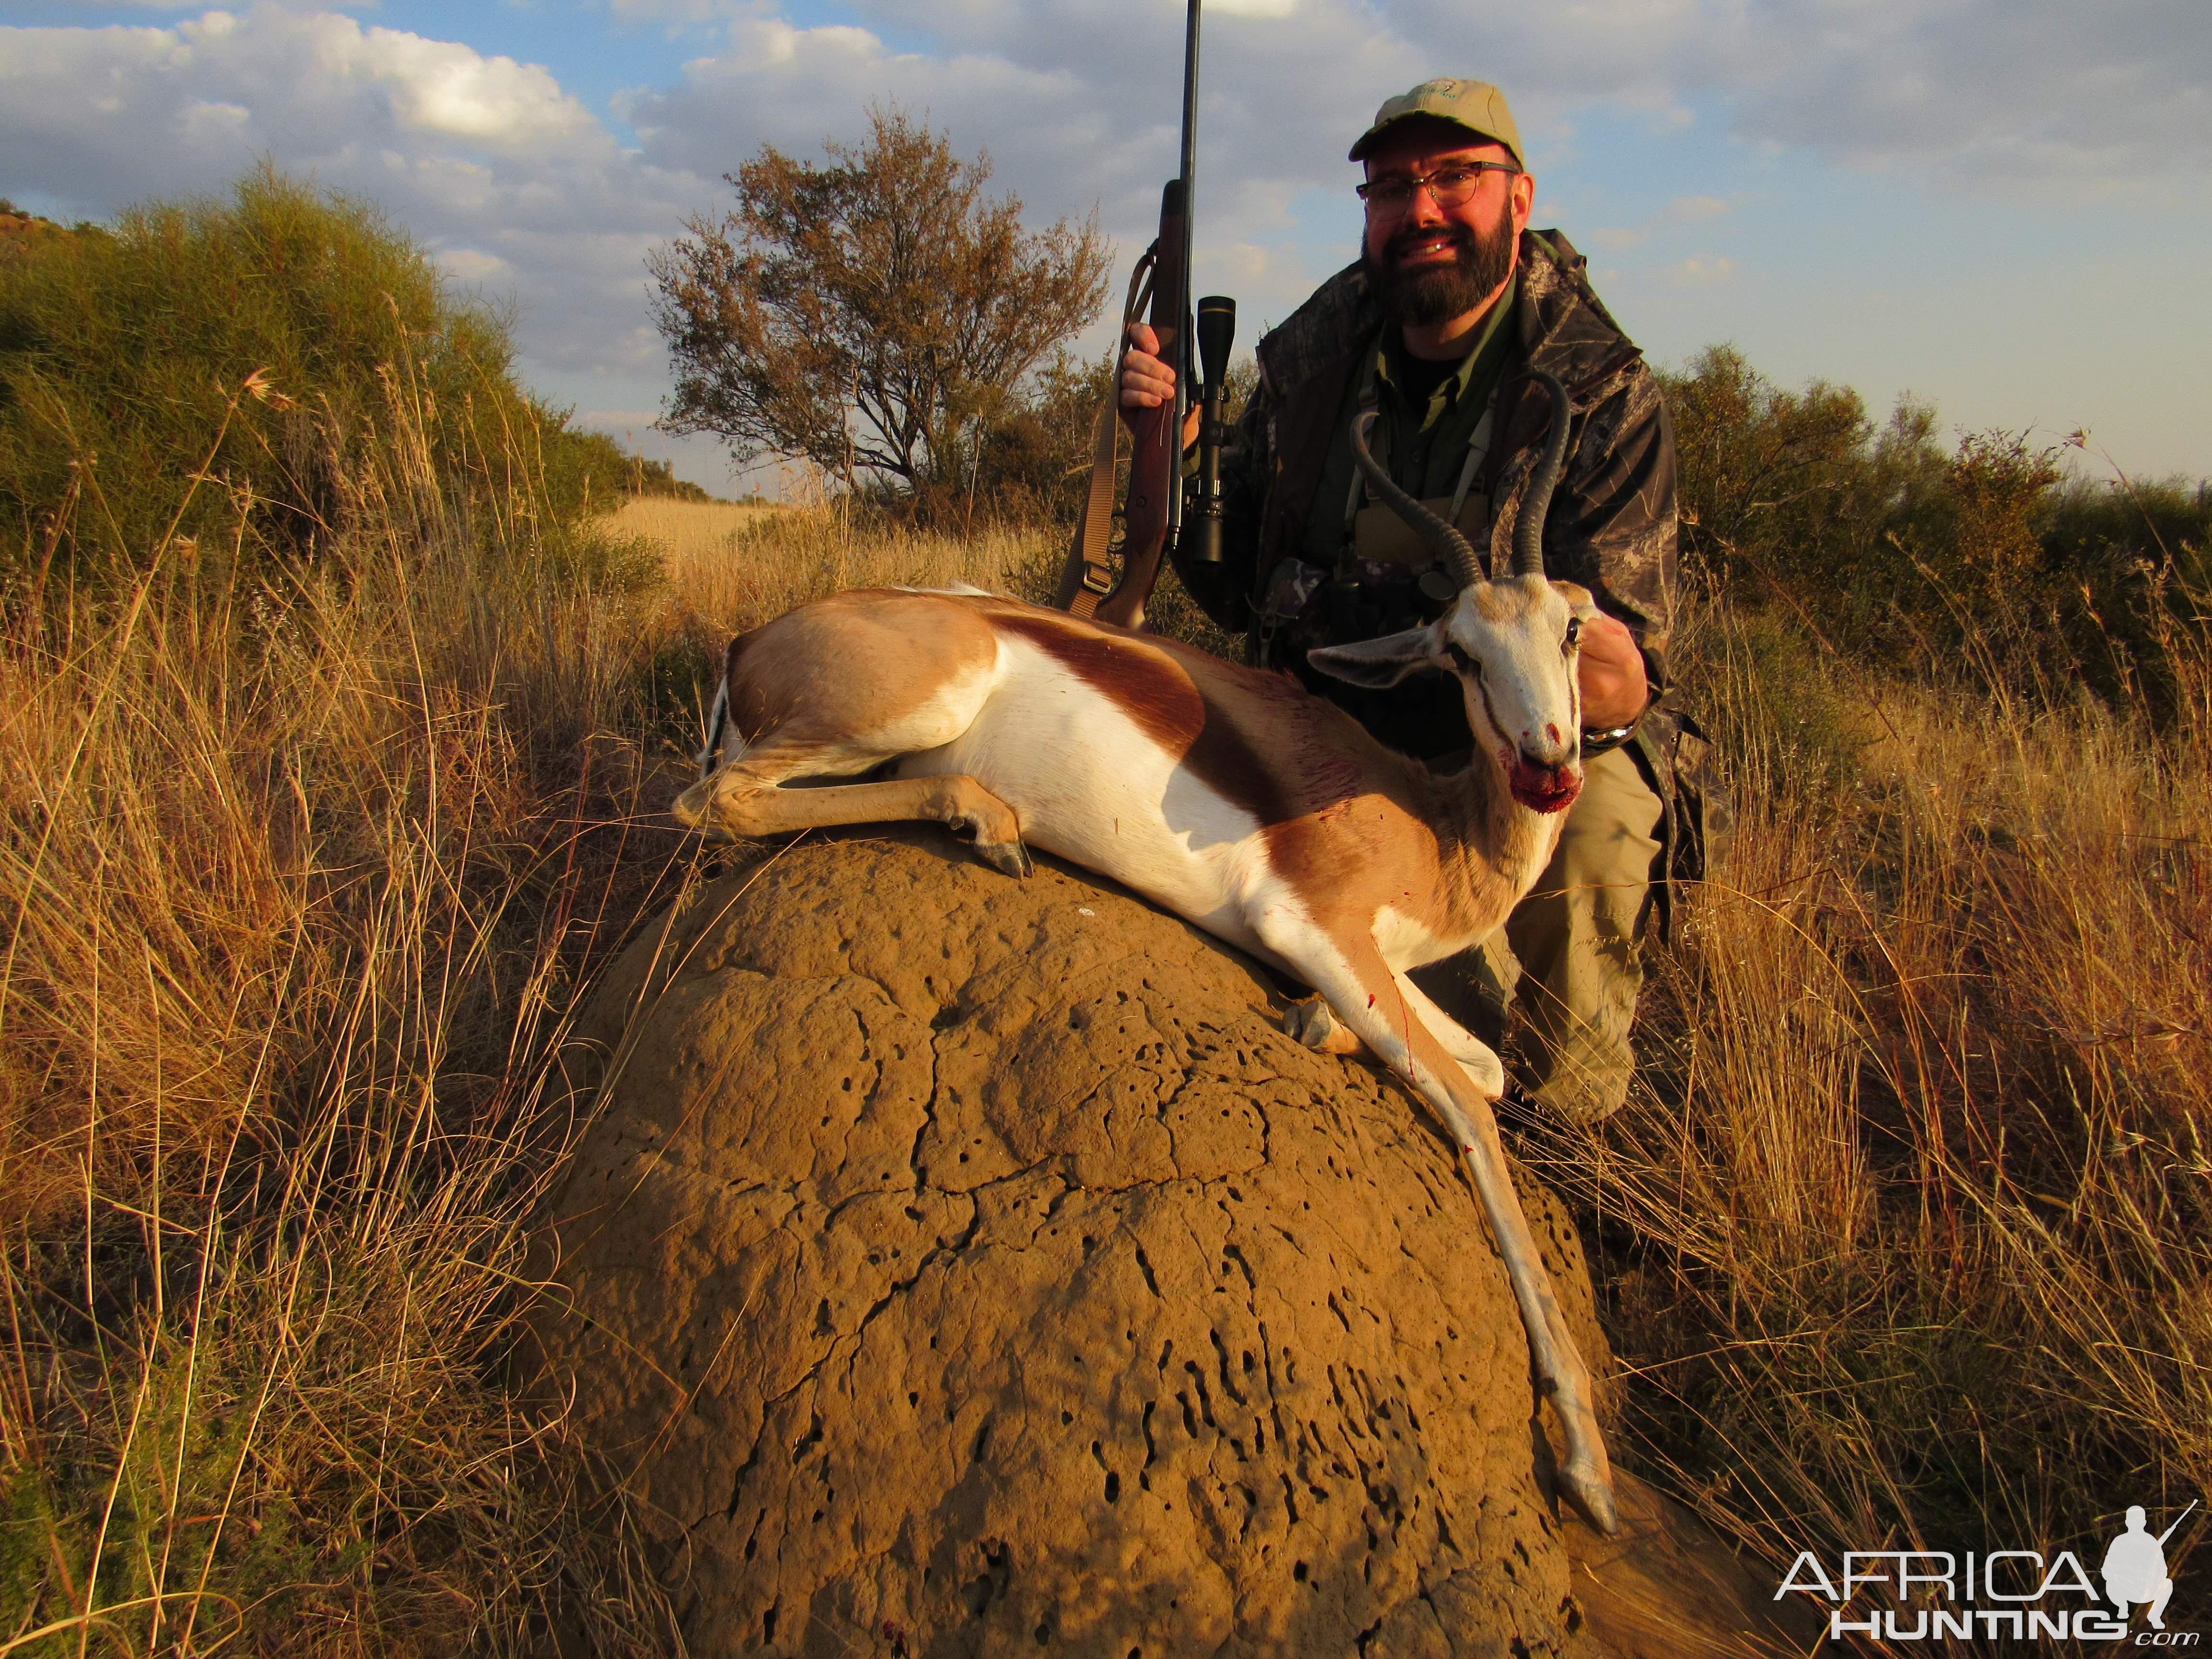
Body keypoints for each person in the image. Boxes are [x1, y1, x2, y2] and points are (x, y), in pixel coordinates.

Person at [1120, 76, 1695, 1124]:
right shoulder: (1313, 358)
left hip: (1525, 732)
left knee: (1601, 825)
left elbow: (1623, 666)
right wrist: (1176, 456)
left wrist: (1589, 680)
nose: (1421, 209)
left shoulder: (1601, 385)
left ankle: (1567, 1144)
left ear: (1519, 199)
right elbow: (1238, 578)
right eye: (1390, 187)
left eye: (1453, 179)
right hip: (1345, 708)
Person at [2102, 1506, 2176, 1629]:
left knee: (2167, 1584)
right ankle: (2122, 1607)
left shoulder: (2151, 1541)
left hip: (2148, 1588)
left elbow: (2163, 1570)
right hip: (2124, 1589)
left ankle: (2154, 1616)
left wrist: (2150, 1575)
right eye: (2133, 1521)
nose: (2135, 1524)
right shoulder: (2119, 1542)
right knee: (2111, 1583)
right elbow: (2107, 1569)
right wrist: (2121, 1574)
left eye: (2138, 1521)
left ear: (2144, 1523)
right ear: (2127, 1523)